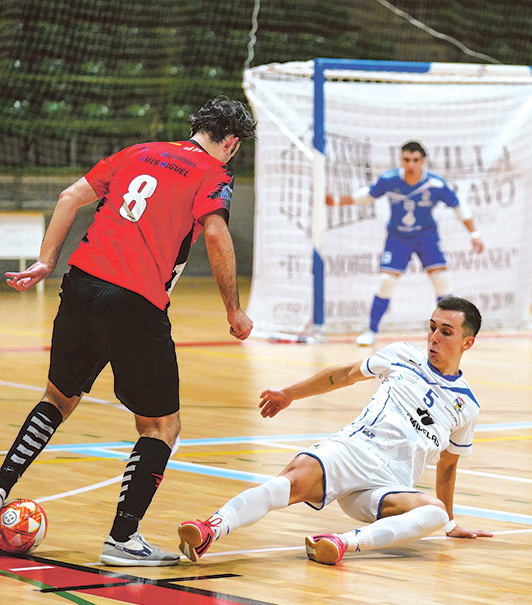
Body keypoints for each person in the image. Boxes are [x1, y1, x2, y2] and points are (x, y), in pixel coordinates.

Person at [0, 96, 257, 567]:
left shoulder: (139, 151)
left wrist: (45, 261)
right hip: (134, 300)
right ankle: (123, 538)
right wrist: (233, 310)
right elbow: (216, 234)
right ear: (233, 143)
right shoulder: (213, 174)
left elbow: (69, 197)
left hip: (80, 283)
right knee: (160, 426)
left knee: (58, 398)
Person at [178, 297, 492, 565]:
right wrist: (289, 393)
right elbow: (342, 375)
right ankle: (211, 528)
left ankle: (340, 543)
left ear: (467, 342)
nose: (434, 337)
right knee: (289, 482)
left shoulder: (467, 405)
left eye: (446, 332)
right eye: (432, 327)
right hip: (353, 451)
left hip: (389, 487)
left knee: (434, 514)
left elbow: (448, 467)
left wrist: (450, 523)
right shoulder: (402, 356)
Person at [326, 141, 484, 346]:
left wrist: (474, 234)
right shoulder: (389, 180)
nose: (411, 164)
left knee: (442, 281)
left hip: (426, 237)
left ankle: (449, 332)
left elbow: (458, 205)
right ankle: (371, 331)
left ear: (423, 161)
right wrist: (336, 201)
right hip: (398, 238)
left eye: (415, 160)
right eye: (406, 159)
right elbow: (368, 195)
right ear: (401, 160)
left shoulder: (434, 184)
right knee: (386, 282)